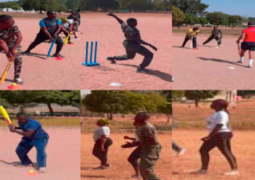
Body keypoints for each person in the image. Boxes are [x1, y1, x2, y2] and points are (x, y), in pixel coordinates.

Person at [193, 99, 238, 176]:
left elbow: (219, 125)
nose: (211, 104)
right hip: (217, 134)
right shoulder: (218, 113)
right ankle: (204, 169)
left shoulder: (222, 114)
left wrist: (209, 136)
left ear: (219, 105)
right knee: (203, 150)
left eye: (213, 103)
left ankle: (234, 170)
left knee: (226, 151)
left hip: (221, 134)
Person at [134, 112, 161, 180]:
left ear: (146, 118)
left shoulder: (148, 127)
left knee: (146, 170)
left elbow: (152, 141)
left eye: (141, 117)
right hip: (146, 149)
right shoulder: (141, 126)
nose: (138, 118)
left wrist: (141, 144)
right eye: (138, 117)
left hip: (150, 150)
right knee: (143, 170)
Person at [0, 15, 23, 84]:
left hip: (12, 43)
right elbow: (2, 43)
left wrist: (13, 49)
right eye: (10, 22)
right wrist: (8, 54)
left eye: (13, 21)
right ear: (2, 23)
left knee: (18, 57)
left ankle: (16, 77)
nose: (13, 23)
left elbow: (19, 37)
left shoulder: (13, 25)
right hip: (1, 42)